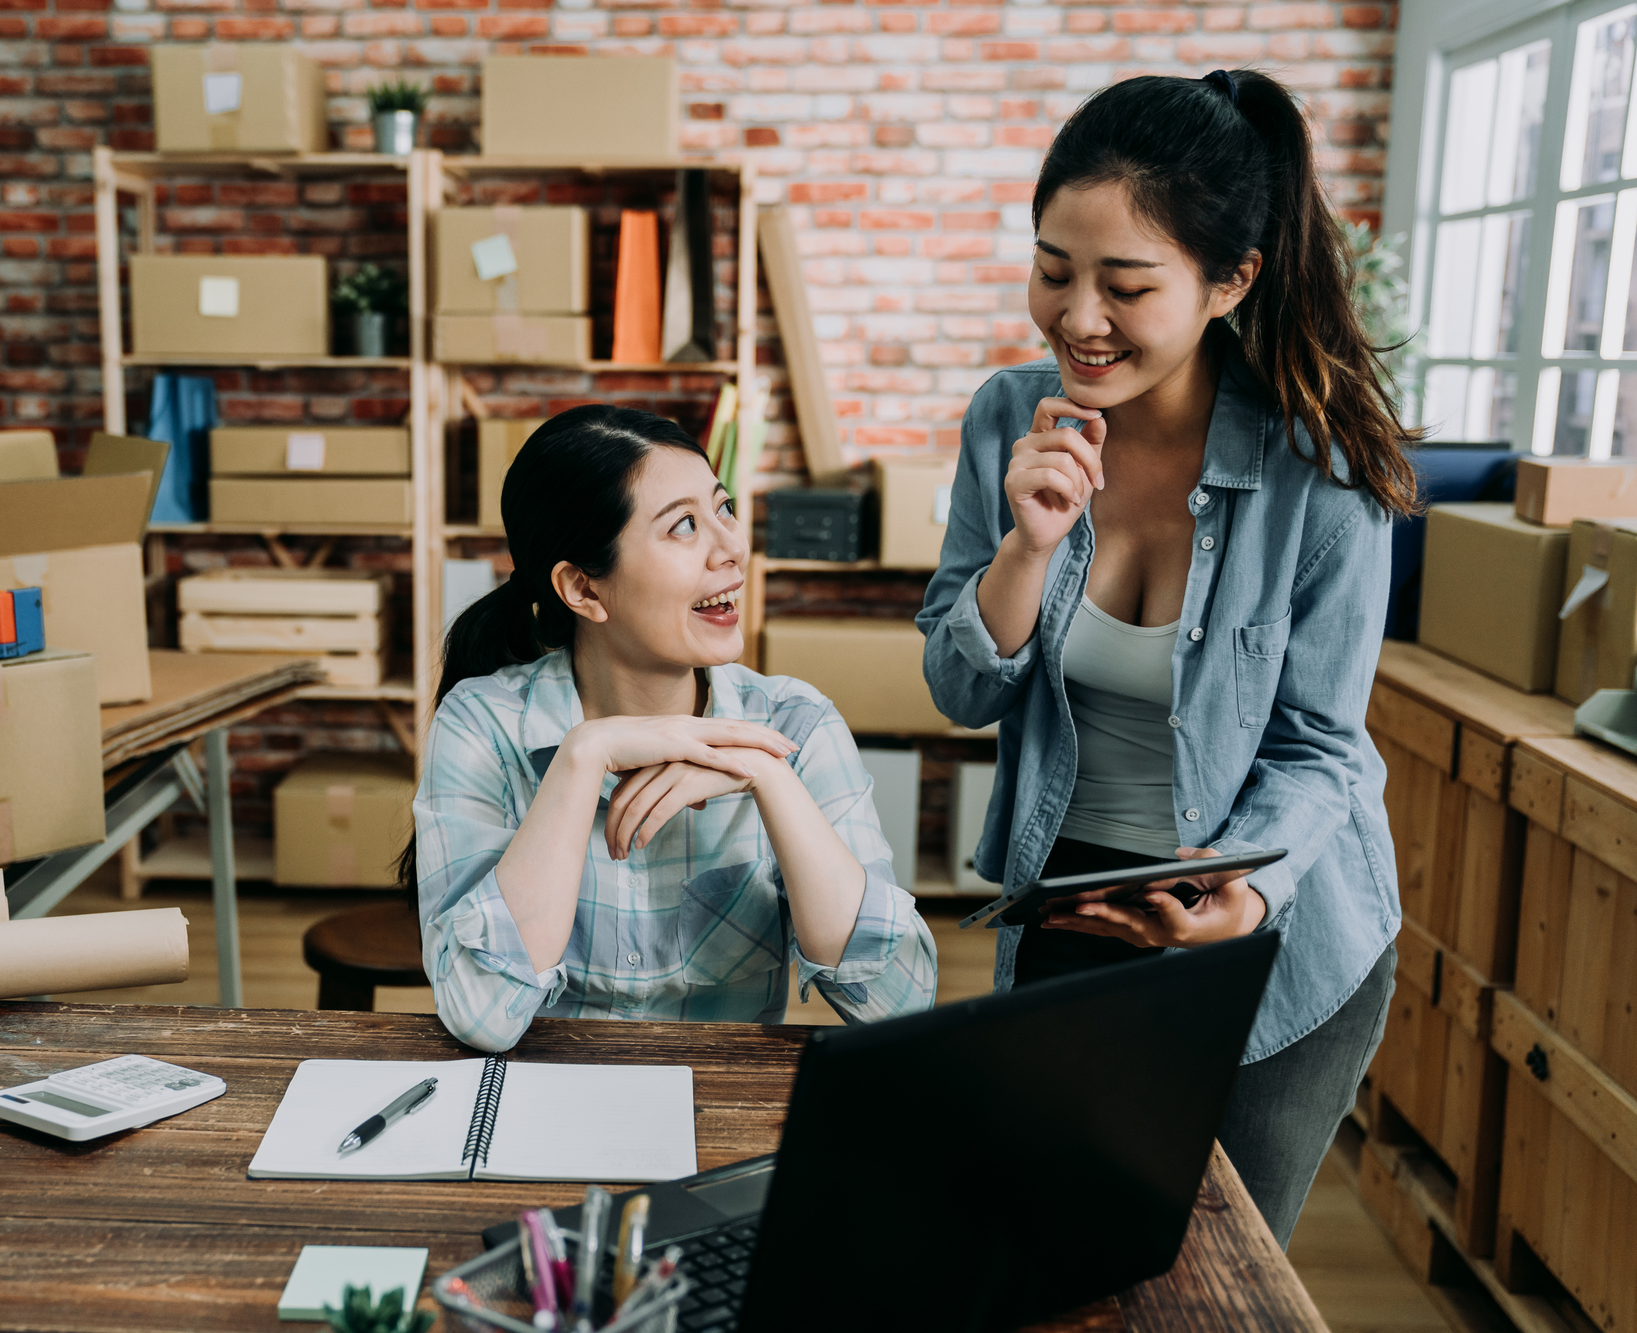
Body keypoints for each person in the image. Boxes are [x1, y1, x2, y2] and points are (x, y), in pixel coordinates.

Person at [918, 68, 1417, 1247]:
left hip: (1269, 928)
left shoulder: (1325, 472)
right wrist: (1026, 550)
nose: (1075, 317)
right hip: (1073, 905)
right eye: (1052, 270)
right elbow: (955, 688)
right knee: (1046, 1249)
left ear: (1227, 281)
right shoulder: (1005, 420)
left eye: (1124, 285)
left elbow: (1315, 748)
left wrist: (1240, 896)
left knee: (1210, 1274)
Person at [408, 405, 937, 1053]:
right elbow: (483, 1016)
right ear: (583, 588)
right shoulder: (481, 727)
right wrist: (582, 757)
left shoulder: (794, 724)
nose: (731, 548)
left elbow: (899, 1002)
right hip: (537, 1112)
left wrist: (767, 774)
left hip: (718, 1118)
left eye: (725, 508)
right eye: (685, 526)